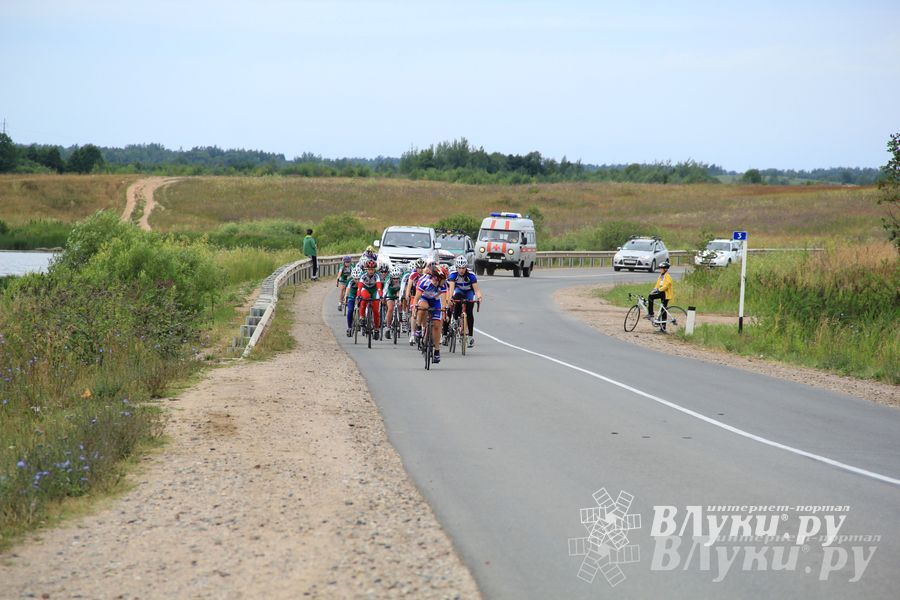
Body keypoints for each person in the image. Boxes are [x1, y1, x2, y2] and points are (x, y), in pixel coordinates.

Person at [413, 264, 449, 364]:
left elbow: (443, 301)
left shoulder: (443, 285)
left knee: (437, 326)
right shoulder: (425, 282)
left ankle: (437, 351)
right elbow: (416, 298)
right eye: (443, 279)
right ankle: (419, 327)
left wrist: (444, 311)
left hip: (436, 301)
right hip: (424, 298)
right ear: (437, 278)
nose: (445, 281)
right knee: (423, 307)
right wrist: (414, 309)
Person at [447, 255, 482, 348]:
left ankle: (470, 337)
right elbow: (451, 289)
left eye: (463, 268)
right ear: (456, 267)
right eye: (459, 268)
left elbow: (476, 290)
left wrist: (479, 297)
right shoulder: (453, 274)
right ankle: (455, 319)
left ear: (466, 267)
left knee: (469, 312)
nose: (461, 270)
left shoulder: (471, 275)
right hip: (458, 290)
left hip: (469, 291)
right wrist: (450, 298)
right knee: (456, 298)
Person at [357, 258, 383, 340]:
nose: (371, 271)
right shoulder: (363, 276)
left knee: (376, 311)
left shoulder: (377, 276)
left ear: (375, 269)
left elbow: (379, 287)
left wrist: (381, 296)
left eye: (372, 269)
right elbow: (359, 287)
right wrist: (358, 295)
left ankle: (376, 329)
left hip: (374, 290)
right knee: (364, 298)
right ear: (366, 269)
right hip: (366, 289)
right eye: (369, 269)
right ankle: (362, 317)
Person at [647, 260, 674, 331]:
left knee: (663, 310)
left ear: (665, 269)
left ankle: (663, 327)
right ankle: (651, 313)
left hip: (665, 294)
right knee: (650, 296)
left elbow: (666, 286)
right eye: (660, 268)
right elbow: (657, 285)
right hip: (662, 293)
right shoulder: (661, 276)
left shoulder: (668, 277)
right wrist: (654, 290)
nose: (660, 269)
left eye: (661, 268)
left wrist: (659, 290)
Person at [382, 266, 403, 339]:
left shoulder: (401, 280)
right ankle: (388, 327)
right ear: (391, 277)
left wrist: (400, 299)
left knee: (400, 302)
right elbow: (385, 289)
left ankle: (400, 315)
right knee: (390, 308)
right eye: (394, 278)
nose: (396, 280)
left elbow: (402, 290)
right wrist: (383, 297)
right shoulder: (388, 280)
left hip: (398, 291)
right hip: (390, 292)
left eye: (397, 278)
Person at [345, 266, 363, 337]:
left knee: (363, 306)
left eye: (358, 279)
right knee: (350, 311)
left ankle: (362, 319)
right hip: (352, 294)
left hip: (360, 294)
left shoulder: (363, 280)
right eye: (355, 279)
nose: (357, 280)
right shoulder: (350, 281)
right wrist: (346, 296)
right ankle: (349, 327)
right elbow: (347, 289)